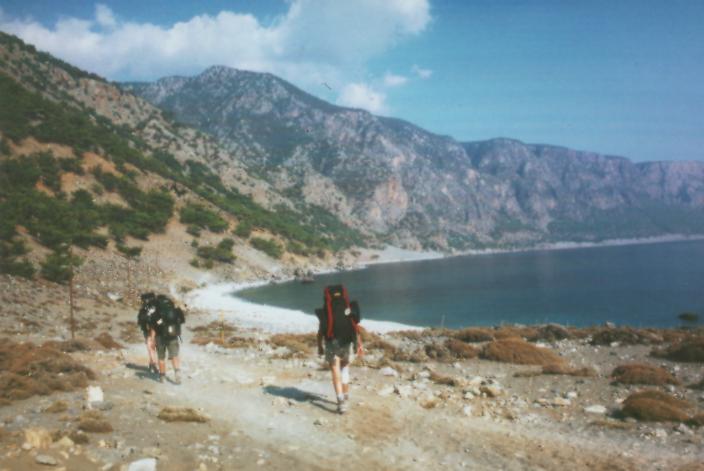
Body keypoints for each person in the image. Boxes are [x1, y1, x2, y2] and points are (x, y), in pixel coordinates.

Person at [316, 285, 362, 414]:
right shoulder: (347, 308)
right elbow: (355, 326)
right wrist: (358, 344)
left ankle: (341, 402)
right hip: (347, 341)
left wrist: (319, 346)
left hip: (332, 342)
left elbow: (320, 331)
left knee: (335, 370)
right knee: (345, 369)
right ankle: (346, 396)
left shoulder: (327, 310)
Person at [152, 294, 186, 384]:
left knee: (161, 357)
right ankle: (177, 373)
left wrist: (152, 339)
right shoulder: (176, 309)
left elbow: (153, 326)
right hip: (173, 336)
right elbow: (182, 320)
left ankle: (162, 376)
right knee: (174, 355)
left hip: (160, 337)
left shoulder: (156, 311)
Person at [137, 292, 158, 375]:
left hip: (148, 330)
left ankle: (152, 364)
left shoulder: (143, 309)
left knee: (151, 348)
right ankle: (153, 364)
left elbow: (140, 321)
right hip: (154, 330)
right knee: (152, 348)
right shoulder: (155, 308)